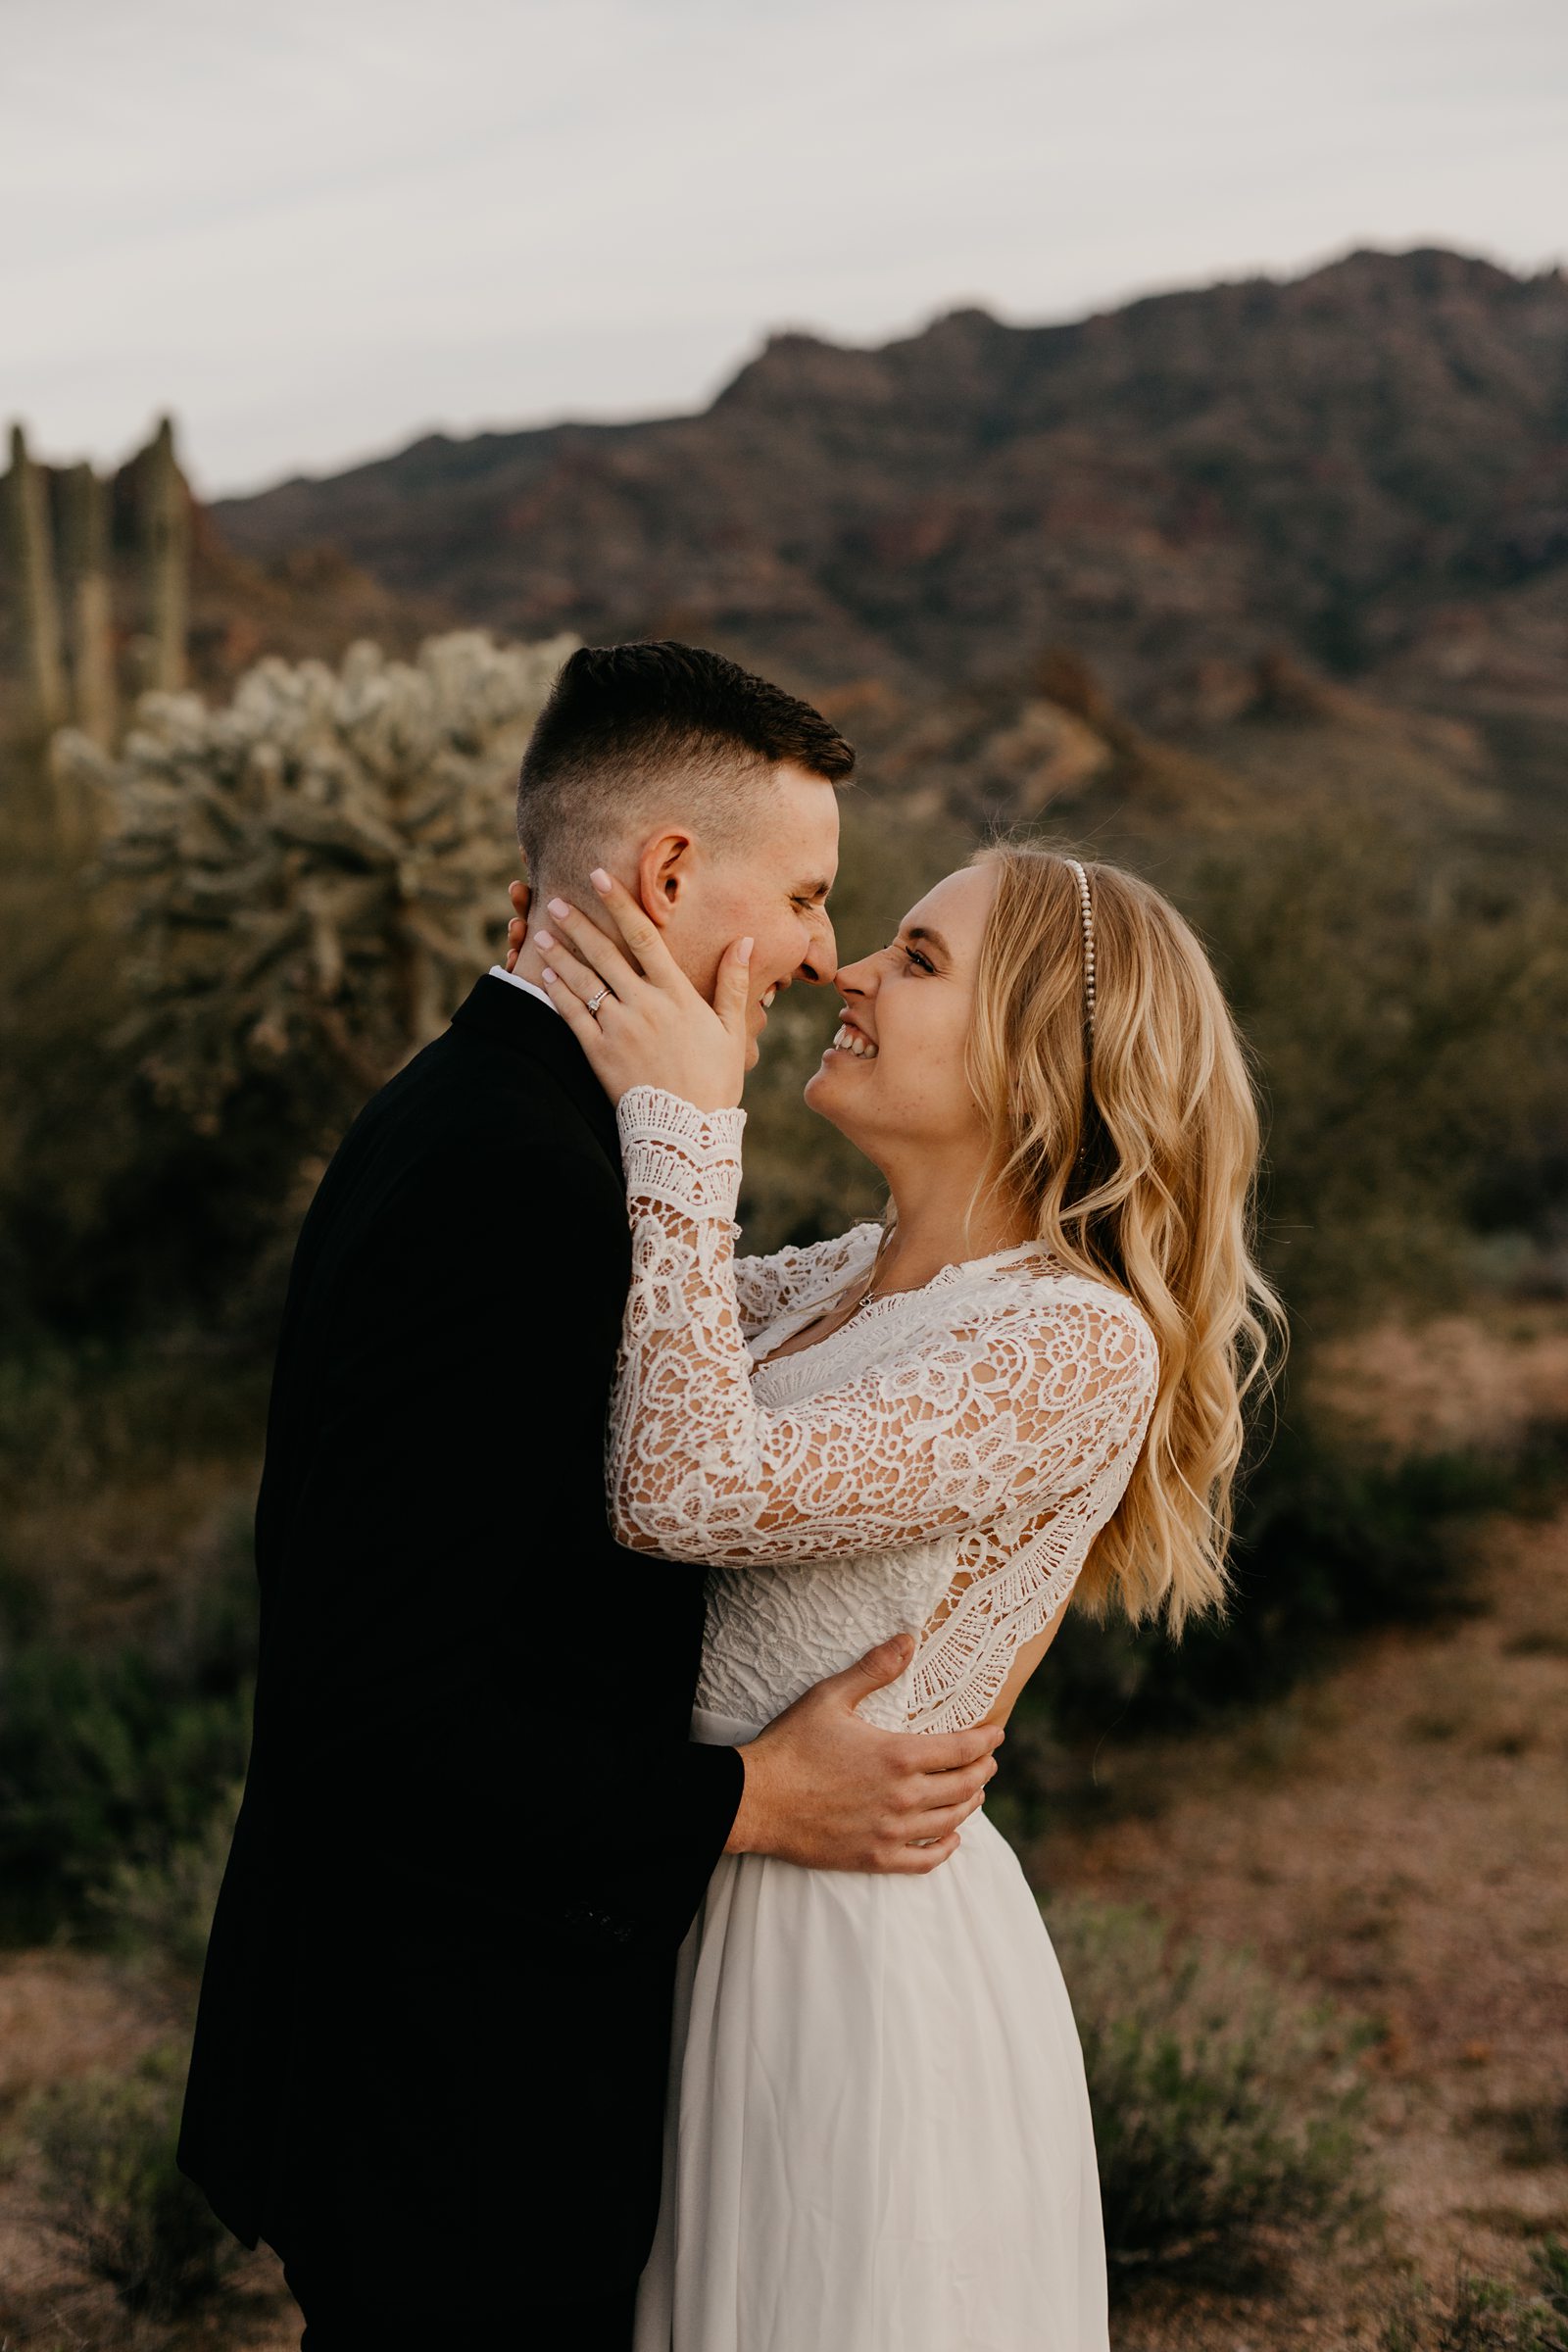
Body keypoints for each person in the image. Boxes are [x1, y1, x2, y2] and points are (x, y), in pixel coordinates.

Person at [176, 644, 1003, 2351]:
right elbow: (384, 1711)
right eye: (806, 897)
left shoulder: (495, 1118)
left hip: (432, 2056)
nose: (816, 957)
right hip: (455, 2088)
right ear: (673, 878)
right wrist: (751, 1802)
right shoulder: (521, 1182)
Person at [521, 842, 1282, 2350]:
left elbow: (676, 1487)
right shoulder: (836, 1283)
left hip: (842, 1972)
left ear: (1039, 1062)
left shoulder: (1072, 1342)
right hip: (681, 1906)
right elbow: (593, 1350)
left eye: (918, 960)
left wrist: (686, 1129)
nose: (850, 973)